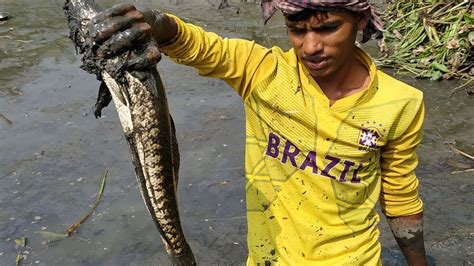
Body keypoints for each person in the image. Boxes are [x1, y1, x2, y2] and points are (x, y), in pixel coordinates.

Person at [89, 0, 427, 265]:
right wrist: (155, 23)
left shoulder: (400, 103)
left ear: (361, 22)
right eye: (296, 30)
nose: (310, 47)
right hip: (270, 257)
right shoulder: (262, 71)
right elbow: (200, 46)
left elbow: (399, 198)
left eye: (327, 29)